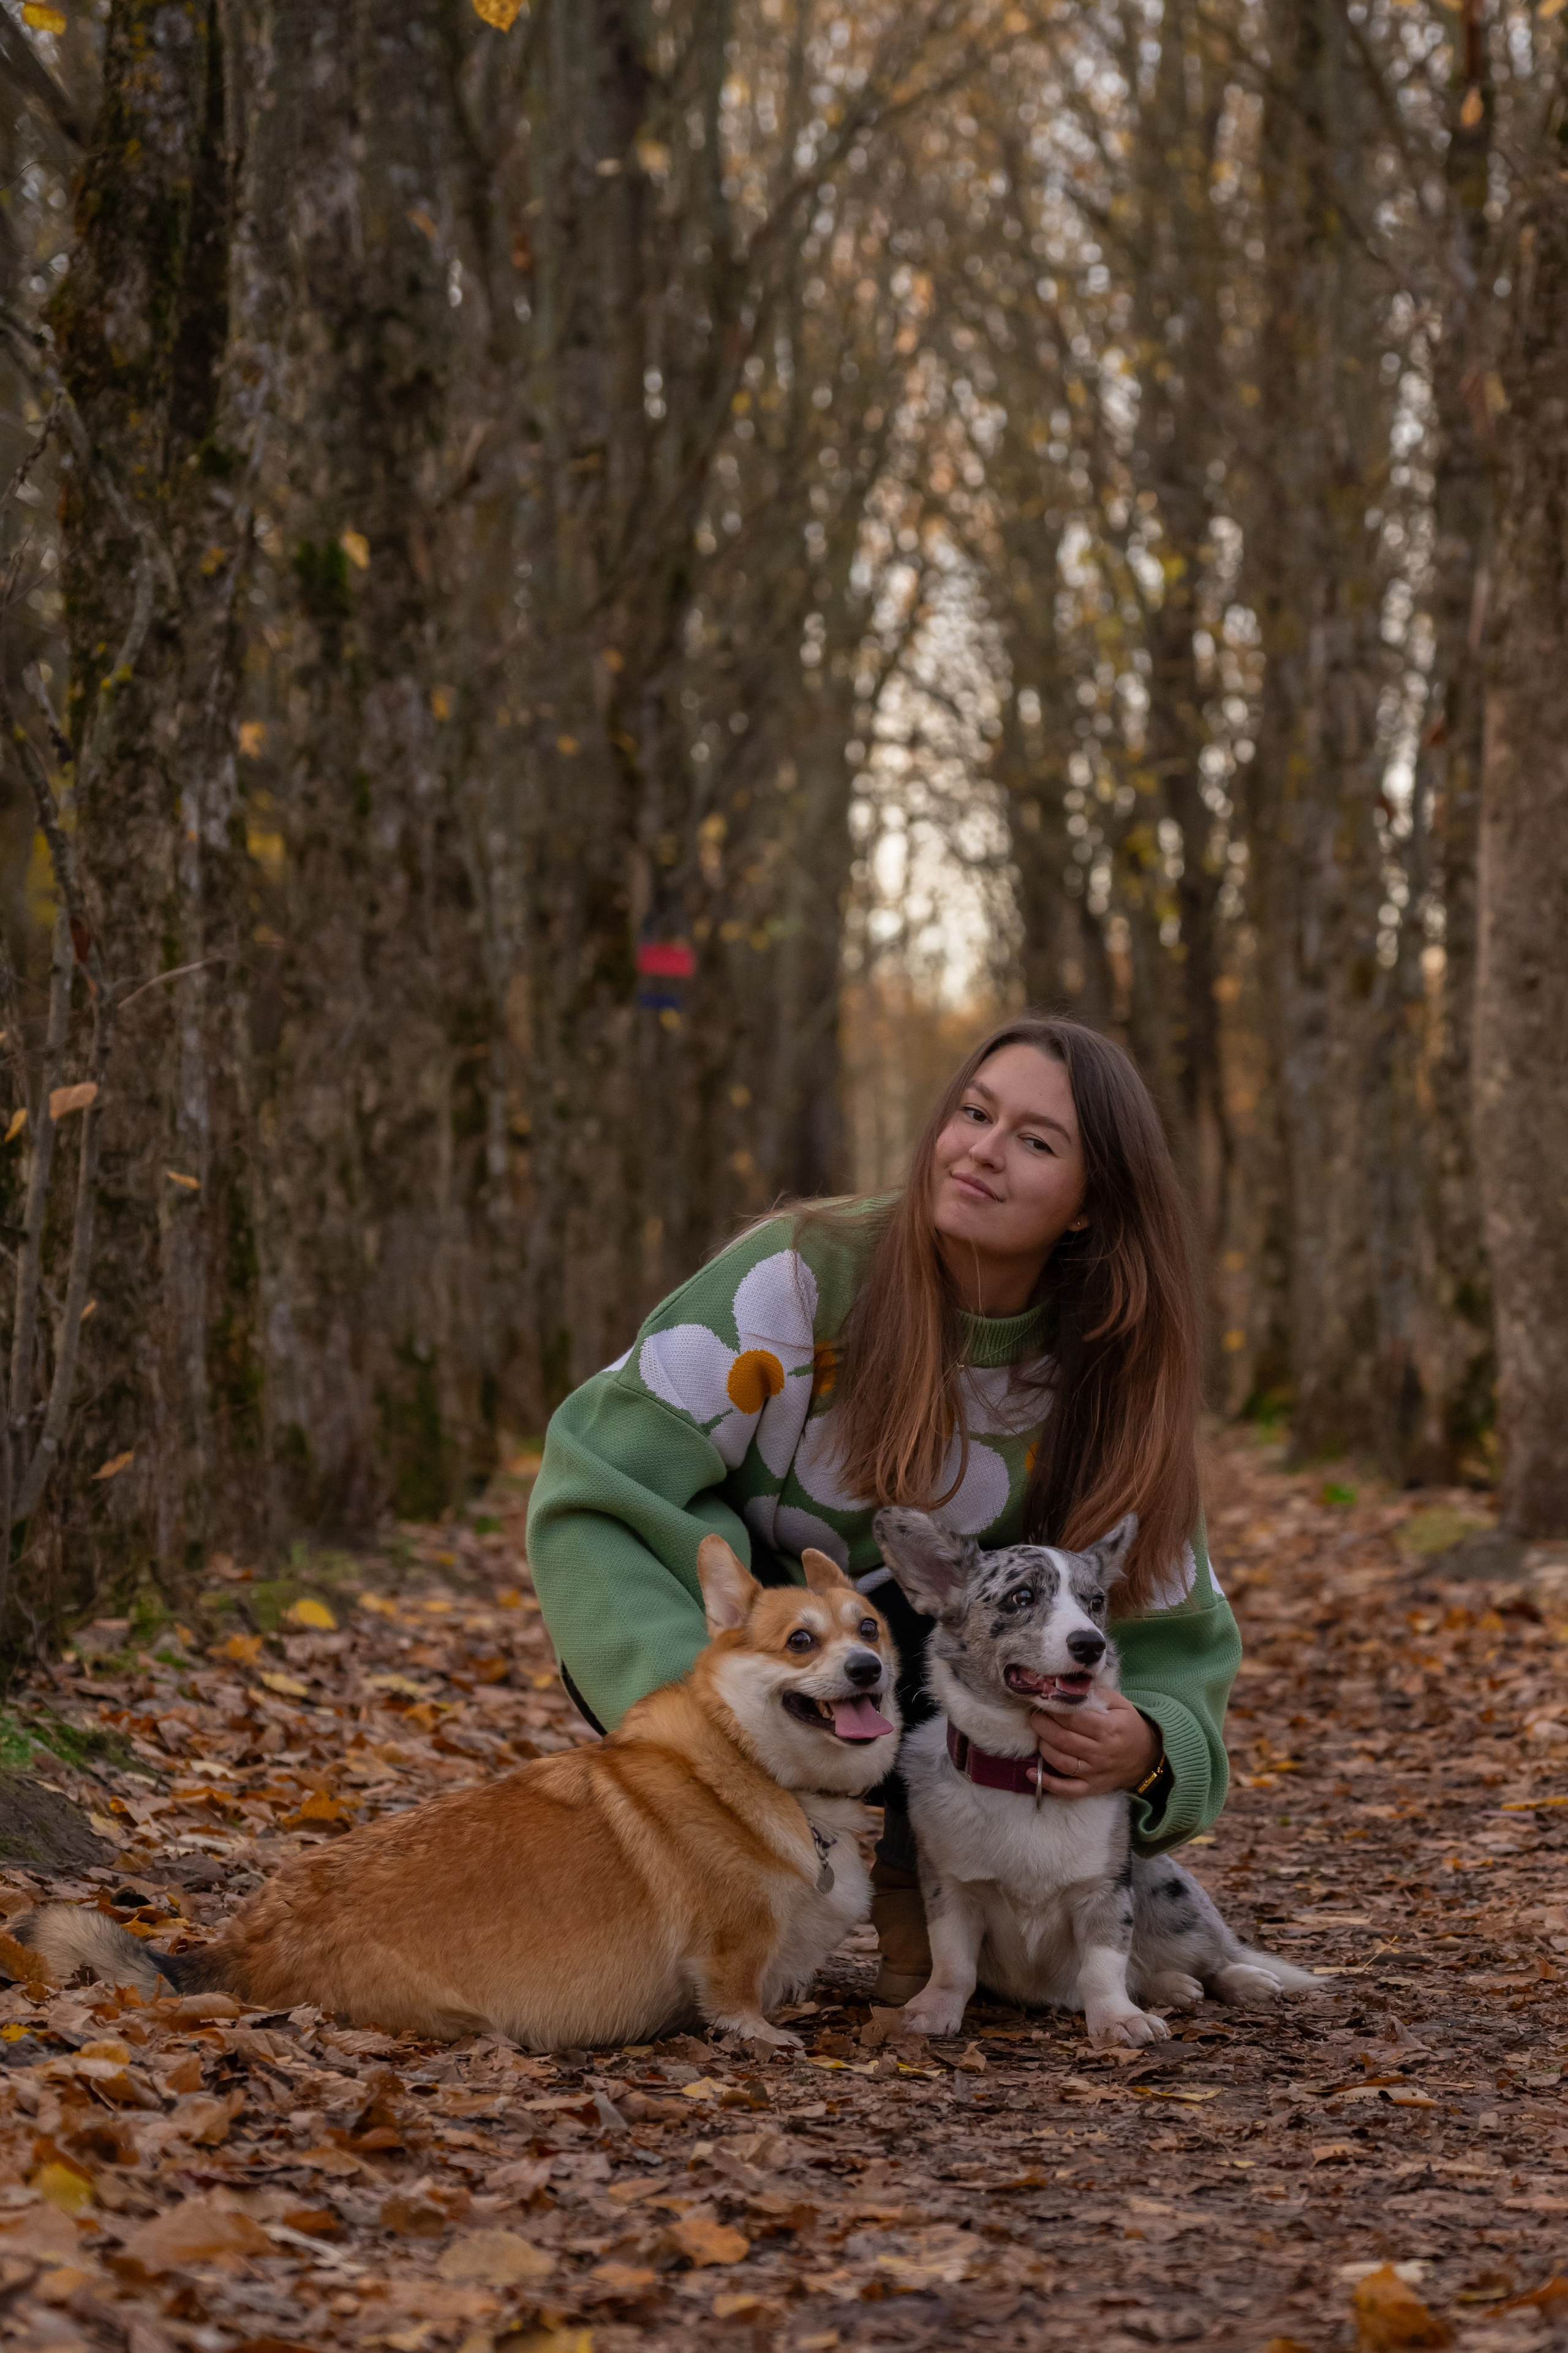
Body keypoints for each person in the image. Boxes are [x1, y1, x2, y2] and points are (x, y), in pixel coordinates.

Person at [526, 1014, 1240, 2002]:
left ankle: (924, 1882)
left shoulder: (1118, 1375)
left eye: (1036, 1142)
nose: (982, 1151)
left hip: (946, 1704)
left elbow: (1177, 1644)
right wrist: (691, 1723)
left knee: (936, 1617)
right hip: (746, 1675)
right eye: (973, 1112)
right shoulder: (795, 1279)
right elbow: (595, 1486)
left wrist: (1153, 1744)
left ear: (1090, 1203)